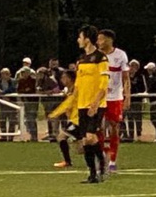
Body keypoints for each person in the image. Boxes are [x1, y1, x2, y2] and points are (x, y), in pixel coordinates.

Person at [74, 25, 109, 184]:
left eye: (80, 37)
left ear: (87, 39)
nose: (78, 40)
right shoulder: (81, 60)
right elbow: (78, 85)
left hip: (96, 104)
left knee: (89, 137)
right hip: (81, 105)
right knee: (85, 140)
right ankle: (93, 173)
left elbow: (104, 83)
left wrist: (95, 102)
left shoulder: (101, 58)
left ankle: (101, 163)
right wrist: (72, 102)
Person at [97, 29, 130, 174]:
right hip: (99, 96)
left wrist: (127, 96)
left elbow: (126, 78)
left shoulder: (120, 55)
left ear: (109, 40)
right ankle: (102, 156)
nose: (99, 42)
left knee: (114, 127)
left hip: (115, 97)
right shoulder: (96, 56)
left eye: (101, 39)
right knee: (98, 127)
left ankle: (112, 160)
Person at [48, 71, 81, 168]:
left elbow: (68, 104)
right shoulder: (70, 90)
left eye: (64, 77)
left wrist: (54, 114)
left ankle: (67, 162)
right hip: (74, 119)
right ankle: (103, 154)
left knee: (61, 137)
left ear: (70, 79)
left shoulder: (76, 89)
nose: (62, 80)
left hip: (77, 120)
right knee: (81, 148)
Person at [0, 68, 17, 141]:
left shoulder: (13, 81)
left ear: (9, 74)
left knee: (12, 121)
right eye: (3, 74)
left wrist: (3, 93)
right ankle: (4, 136)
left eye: (6, 74)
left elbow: (13, 89)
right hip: (2, 105)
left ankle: (11, 136)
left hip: (12, 104)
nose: (5, 75)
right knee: (2, 121)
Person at [16, 67, 39, 141]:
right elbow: (19, 90)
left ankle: (34, 136)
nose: (23, 74)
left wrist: (25, 91)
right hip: (25, 102)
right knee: (27, 119)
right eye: (22, 73)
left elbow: (32, 90)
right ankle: (31, 135)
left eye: (24, 72)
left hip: (32, 102)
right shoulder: (21, 81)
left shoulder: (33, 81)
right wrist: (25, 91)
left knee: (31, 118)